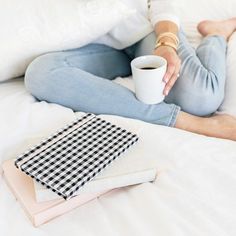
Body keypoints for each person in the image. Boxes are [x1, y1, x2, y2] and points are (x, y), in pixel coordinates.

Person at [24, 0, 236, 141]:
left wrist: (167, 41)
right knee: (41, 74)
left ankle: (215, 34)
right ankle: (188, 123)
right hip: (91, 46)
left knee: (202, 98)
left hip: (141, 31)